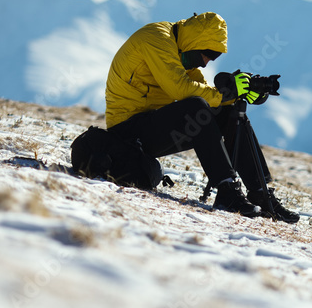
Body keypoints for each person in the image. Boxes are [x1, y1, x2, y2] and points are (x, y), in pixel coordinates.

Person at [104, 11, 299, 221]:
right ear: (194, 42)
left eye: (213, 57)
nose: (206, 62)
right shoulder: (156, 39)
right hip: (125, 132)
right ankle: (227, 191)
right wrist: (225, 95)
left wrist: (234, 97)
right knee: (196, 108)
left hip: (149, 127)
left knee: (226, 114)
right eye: (207, 53)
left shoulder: (181, 49)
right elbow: (182, 89)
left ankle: (261, 194)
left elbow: (204, 93)